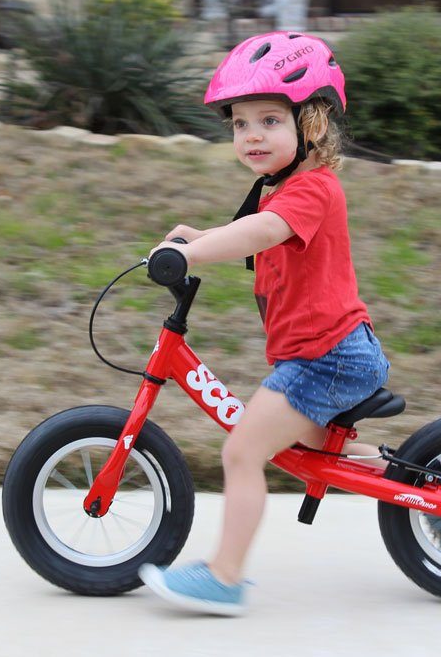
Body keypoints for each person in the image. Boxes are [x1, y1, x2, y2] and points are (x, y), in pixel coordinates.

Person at [138, 31, 391, 616]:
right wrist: (197, 238)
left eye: (270, 120)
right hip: (322, 353)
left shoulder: (312, 189)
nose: (251, 135)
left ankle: (224, 577)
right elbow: (252, 231)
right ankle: (429, 479)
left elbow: (263, 233)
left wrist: (195, 254)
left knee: (242, 451)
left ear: (312, 125)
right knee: (315, 454)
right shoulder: (284, 189)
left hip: (327, 357)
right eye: (240, 124)